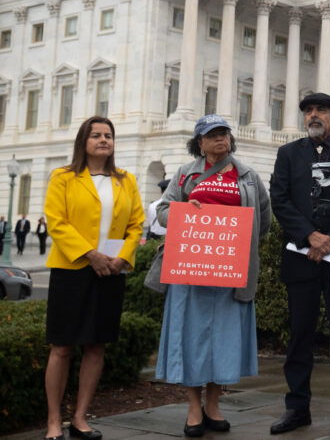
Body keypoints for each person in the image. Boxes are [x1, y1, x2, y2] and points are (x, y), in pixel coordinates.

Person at [153, 115, 271, 437]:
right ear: (200, 142)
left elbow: (264, 219)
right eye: (213, 135)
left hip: (229, 272)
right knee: (190, 339)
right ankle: (193, 408)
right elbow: (162, 212)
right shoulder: (184, 174)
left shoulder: (247, 176)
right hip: (189, 274)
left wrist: (235, 247)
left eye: (225, 134)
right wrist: (183, 212)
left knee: (224, 341)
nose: (221, 139)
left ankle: (214, 405)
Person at [270, 93, 330, 435]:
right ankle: (297, 407)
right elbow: (279, 200)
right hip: (301, 257)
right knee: (299, 335)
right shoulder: (288, 153)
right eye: (309, 110)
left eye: (321, 110)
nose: (314, 115)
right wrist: (310, 236)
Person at [42, 116, 145, 440]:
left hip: (111, 273)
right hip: (71, 270)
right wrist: (91, 254)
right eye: (96, 135)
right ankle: (53, 421)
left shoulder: (126, 180)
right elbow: (56, 221)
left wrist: (122, 258)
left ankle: (81, 418)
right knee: (62, 346)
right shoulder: (63, 177)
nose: (104, 140)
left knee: (96, 346)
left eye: (108, 136)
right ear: (83, 141)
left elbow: (136, 225)